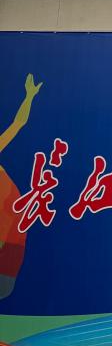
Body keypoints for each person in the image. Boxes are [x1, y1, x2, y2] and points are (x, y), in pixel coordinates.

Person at [0, 73, 42, 299]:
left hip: (12, 231)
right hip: (8, 232)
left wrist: (29, 96)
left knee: (4, 286)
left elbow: (18, 123)